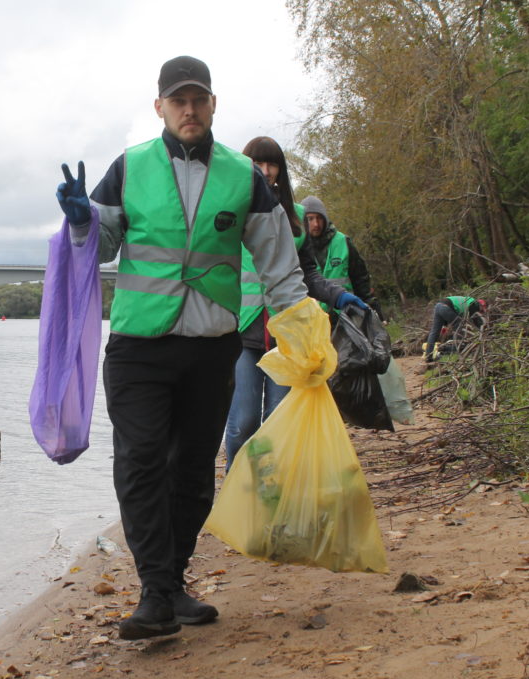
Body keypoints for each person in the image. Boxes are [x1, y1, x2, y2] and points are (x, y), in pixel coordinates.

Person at [55, 56, 315, 640]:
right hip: (138, 349)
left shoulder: (244, 176)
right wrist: (80, 223)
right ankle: (154, 592)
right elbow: (95, 247)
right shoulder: (130, 167)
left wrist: (307, 338)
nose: (189, 109)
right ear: (160, 108)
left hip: (210, 350)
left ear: (214, 104)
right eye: (178, 100)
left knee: (194, 471)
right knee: (142, 460)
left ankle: (171, 583)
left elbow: (282, 269)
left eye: (198, 98)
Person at [224, 137, 364, 471]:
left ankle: (268, 492)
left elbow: (309, 274)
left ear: (281, 170)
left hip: (287, 335)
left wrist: (338, 295)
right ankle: (235, 483)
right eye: (257, 163)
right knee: (243, 422)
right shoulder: (230, 208)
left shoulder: (297, 217)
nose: (265, 171)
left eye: (272, 164)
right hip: (241, 332)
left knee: (278, 420)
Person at [300, 195, 383, 321]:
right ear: (302, 221)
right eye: (310, 219)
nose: (316, 224)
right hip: (314, 322)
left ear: (325, 219)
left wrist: (373, 309)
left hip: (347, 316)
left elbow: (360, 279)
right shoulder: (297, 247)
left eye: (319, 218)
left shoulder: (342, 241)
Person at [423, 296, 486, 362]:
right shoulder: (474, 304)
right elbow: (475, 320)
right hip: (445, 307)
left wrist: (444, 326)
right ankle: (455, 349)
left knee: (434, 332)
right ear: (481, 304)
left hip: (438, 306)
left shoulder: (467, 302)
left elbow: (453, 313)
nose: (481, 311)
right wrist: (481, 330)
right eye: (482, 309)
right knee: (459, 325)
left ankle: (428, 356)